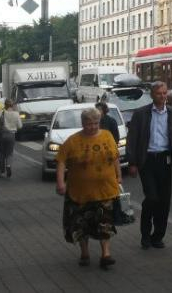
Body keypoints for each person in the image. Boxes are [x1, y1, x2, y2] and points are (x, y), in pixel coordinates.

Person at [56, 107, 121, 269]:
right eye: (89, 124)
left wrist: (118, 176)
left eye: (95, 123)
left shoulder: (107, 135)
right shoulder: (73, 141)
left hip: (105, 189)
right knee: (81, 225)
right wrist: (60, 182)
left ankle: (106, 254)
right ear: (82, 123)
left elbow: (115, 157)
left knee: (105, 223)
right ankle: (84, 252)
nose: (92, 127)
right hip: (80, 193)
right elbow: (61, 161)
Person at [125, 81, 172, 249]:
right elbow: (133, 138)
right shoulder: (141, 114)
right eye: (159, 93)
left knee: (164, 201)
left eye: (165, 93)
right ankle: (145, 234)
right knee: (152, 198)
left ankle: (158, 236)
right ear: (152, 95)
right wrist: (132, 162)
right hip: (148, 160)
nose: (163, 96)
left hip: (165, 160)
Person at [0, 99, 22, 178]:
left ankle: (2, 172)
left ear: (4, 105)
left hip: (1, 135)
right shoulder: (16, 114)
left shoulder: (0, 113)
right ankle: (8, 165)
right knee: (9, 153)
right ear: (12, 105)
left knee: (1, 154)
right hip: (11, 135)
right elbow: (20, 126)